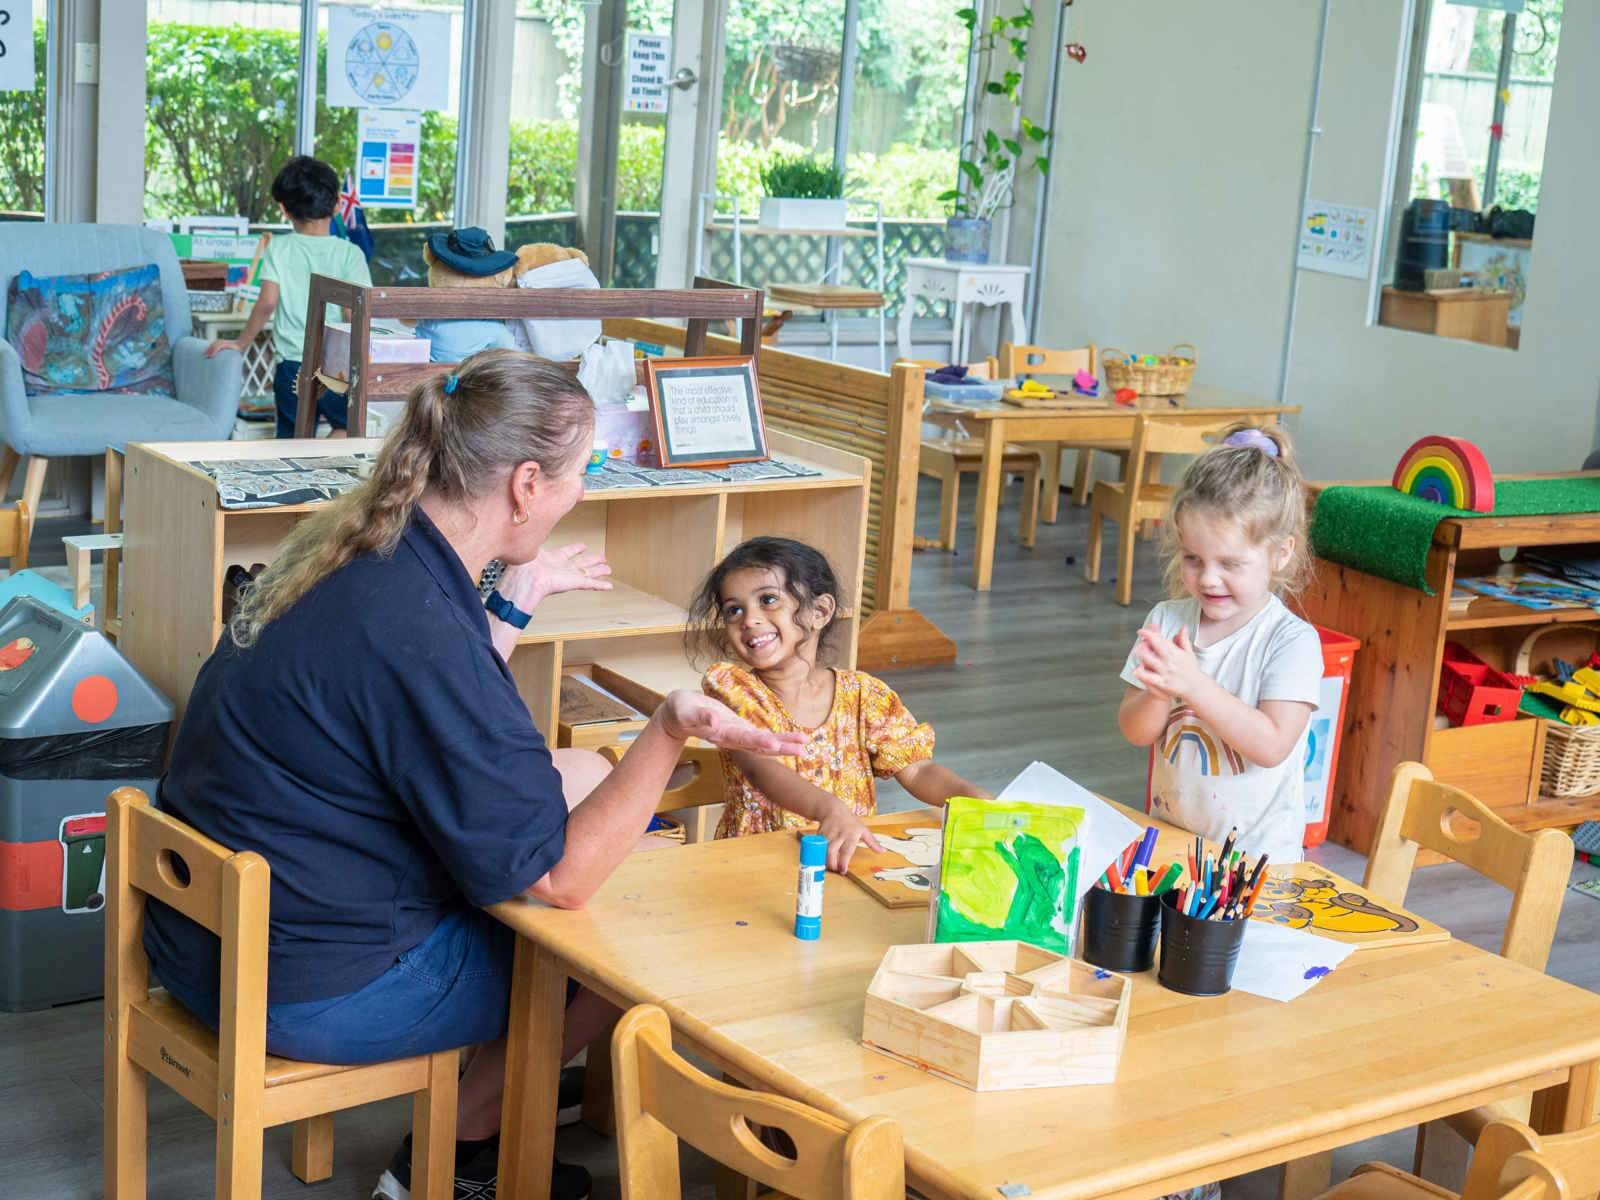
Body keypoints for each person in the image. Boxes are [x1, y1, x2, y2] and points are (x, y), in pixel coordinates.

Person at [140, 351, 805, 1200]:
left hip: (211, 937)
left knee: (581, 795)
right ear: (526, 485)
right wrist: (669, 727)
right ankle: (460, 1148)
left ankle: (499, 1089)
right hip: (300, 983)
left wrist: (516, 600)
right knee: (625, 934)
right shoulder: (416, 621)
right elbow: (557, 877)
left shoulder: (363, 551)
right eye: (580, 473)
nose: (581, 494)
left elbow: (430, 718)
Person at [689, 537, 986, 872]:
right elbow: (763, 769)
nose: (749, 620)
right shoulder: (734, 691)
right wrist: (831, 809)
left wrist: (974, 799)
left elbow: (917, 769)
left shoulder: (864, 695)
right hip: (754, 868)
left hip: (842, 863)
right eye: (734, 610)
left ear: (820, 611)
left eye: (768, 600)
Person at [1117, 424, 1323, 867]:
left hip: (1256, 863)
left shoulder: (1291, 642)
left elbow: (1270, 746)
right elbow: (1135, 732)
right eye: (1193, 558)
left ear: (1281, 554)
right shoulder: (1167, 620)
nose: (1208, 578)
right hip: (1172, 843)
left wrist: (1192, 686)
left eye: (1230, 563)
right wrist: (1157, 693)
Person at [205, 155, 373, 438]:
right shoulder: (350, 253)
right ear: (336, 205)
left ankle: (302, 467)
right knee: (346, 428)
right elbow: (352, 315)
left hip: (293, 365)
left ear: (284, 209)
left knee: (294, 438)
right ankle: (320, 467)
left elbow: (268, 302)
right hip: (338, 366)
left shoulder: (279, 249)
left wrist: (241, 342)